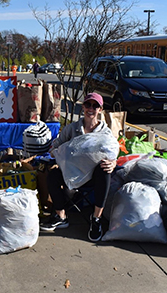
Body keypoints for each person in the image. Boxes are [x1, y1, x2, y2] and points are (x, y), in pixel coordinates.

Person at [41, 93, 116, 242]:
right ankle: (61, 215)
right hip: (70, 174)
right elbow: (55, 146)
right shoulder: (72, 129)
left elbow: (112, 151)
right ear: (83, 107)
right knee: (53, 173)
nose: (91, 109)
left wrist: (113, 163)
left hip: (92, 177)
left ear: (100, 110)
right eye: (88, 105)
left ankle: (96, 219)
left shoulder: (105, 132)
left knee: (105, 171)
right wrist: (59, 155)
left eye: (95, 106)